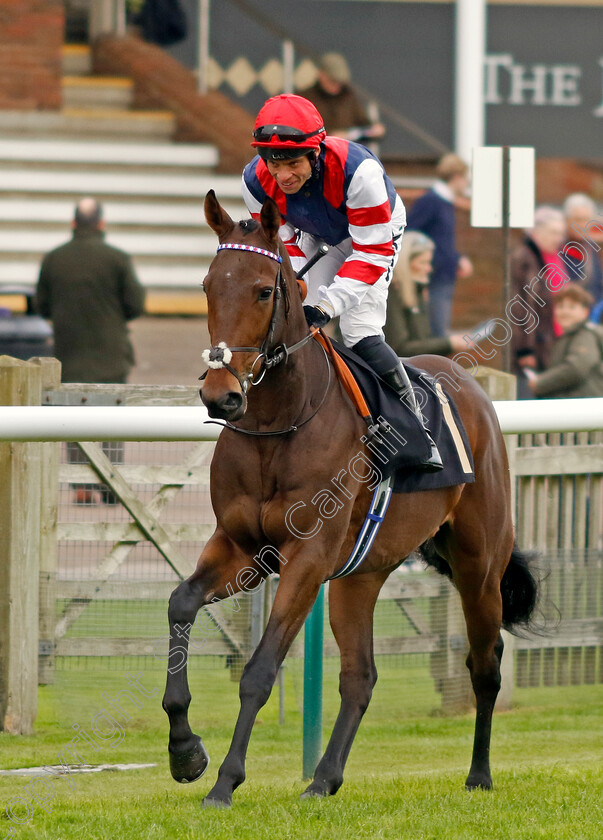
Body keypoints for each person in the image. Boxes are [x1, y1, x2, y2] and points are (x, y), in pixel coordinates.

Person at [241, 93, 442, 471]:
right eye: (273, 163)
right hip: (313, 233)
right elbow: (284, 247)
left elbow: (370, 254)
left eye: (293, 164)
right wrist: (306, 297)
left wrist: (328, 305)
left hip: (370, 236)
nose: (282, 176)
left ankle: (415, 431)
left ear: (315, 153)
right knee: (299, 321)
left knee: (358, 331)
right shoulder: (253, 181)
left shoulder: (359, 173)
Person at [36, 197, 146, 502]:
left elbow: (41, 304)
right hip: (111, 354)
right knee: (111, 420)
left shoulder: (54, 259)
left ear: (73, 224)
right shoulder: (118, 259)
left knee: (73, 419)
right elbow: (135, 305)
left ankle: (81, 487)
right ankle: (110, 488)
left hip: (68, 353)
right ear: (101, 224)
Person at [405, 153, 473, 338]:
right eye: (466, 179)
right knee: (437, 333)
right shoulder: (431, 201)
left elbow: (442, 240)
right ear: (457, 177)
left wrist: (457, 259)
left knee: (439, 330)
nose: (467, 184)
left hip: (444, 276)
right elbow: (410, 233)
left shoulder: (446, 203)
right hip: (432, 277)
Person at [384, 231, 473, 358]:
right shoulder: (393, 294)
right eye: (423, 263)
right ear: (404, 264)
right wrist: (448, 343)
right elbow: (399, 348)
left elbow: (423, 340)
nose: (429, 268)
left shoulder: (416, 291)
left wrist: (450, 342)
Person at [509, 206, 567, 399]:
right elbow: (521, 306)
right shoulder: (525, 258)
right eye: (553, 232)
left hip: (548, 340)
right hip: (532, 345)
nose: (558, 238)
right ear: (536, 232)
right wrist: (525, 348)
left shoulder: (550, 257)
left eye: (560, 233)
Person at [523, 284, 603, 399]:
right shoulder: (567, 337)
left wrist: (540, 382)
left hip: (582, 408)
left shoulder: (584, 335)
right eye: (560, 306)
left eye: (572, 307)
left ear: (585, 312)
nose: (565, 312)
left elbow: (577, 367)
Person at [298, 52, 385, 146]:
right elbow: (300, 132)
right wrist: (329, 136)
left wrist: (374, 129)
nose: (336, 85)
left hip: (347, 153)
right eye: (332, 80)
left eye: (339, 82)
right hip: (318, 153)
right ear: (321, 74)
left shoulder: (348, 97)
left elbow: (365, 124)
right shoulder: (305, 100)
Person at [562, 193, 603, 305]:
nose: (582, 225)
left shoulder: (592, 248)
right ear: (566, 220)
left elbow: (598, 287)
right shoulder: (556, 248)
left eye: (586, 220)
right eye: (577, 219)